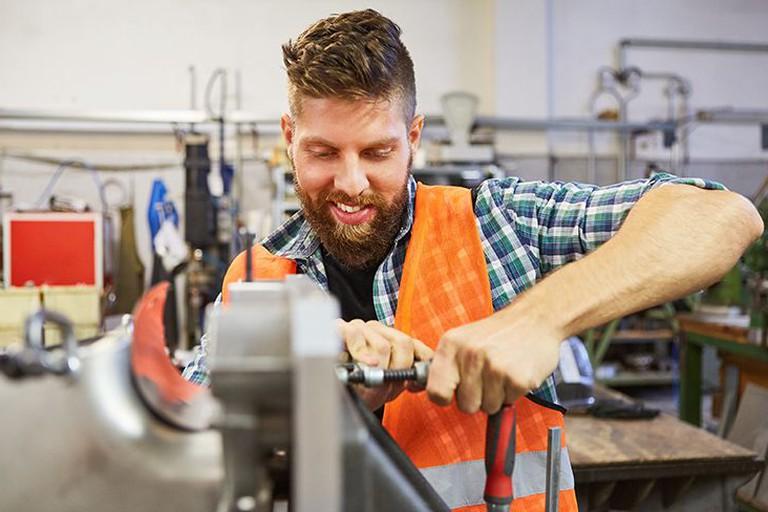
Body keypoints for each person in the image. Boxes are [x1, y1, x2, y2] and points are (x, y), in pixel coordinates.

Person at [183, 9, 763, 511]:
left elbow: (722, 216)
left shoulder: (500, 224)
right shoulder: (253, 282)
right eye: (323, 152)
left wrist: (537, 321)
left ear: (414, 137)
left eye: (378, 151)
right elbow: (186, 449)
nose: (350, 182)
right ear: (289, 137)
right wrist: (317, 405)